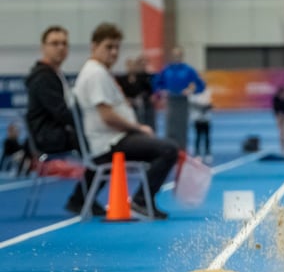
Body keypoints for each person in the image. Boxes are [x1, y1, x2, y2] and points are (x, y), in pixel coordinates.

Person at [73, 22, 179, 220]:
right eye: (108, 47)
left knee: (162, 146)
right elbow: (107, 116)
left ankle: (80, 198)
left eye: (116, 47)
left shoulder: (99, 71)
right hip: (110, 142)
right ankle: (140, 200)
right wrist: (138, 128)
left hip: (112, 138)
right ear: (94, 46)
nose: (113, 52)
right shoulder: (95, 73)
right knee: (168, 149)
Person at [24, 25, 89, 212]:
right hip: (48, 137)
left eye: (64, 44)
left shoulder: (54, 74)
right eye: (55, 43)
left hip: (54, 132)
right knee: (97, 143)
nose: (60, 47)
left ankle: (84, 196)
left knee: (94, 139)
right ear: (43, 47)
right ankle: (82, 198)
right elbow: (61, 113)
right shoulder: (43, 78)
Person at [154, 45, 206, 150]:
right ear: (172, 56)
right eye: (175, 55)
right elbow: (156, 84)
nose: (177, 57)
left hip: (183, 102)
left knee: (182, 129)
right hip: (170, 102)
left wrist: (191, 90)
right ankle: (169, 151)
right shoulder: (166, 70)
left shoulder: (188, 70)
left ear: (182, 56)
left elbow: (201, 85)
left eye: (179, 54)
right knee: (169, 129)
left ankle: (182, 152)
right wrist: (161, 92)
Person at [116, 55, 157, 131]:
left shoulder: (141, 78)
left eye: (132, 65)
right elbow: (119, 91)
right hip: (128, 105)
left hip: (140, 105)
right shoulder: (122, 79)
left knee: (142, 119)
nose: (131, 68)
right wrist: (126, 99)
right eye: (129, 65)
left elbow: (147, 90)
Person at [190, 88, 213, 163]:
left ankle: (207, 153)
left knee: (207, 137)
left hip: (206, 118)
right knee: (198, 136)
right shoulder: (193, 93)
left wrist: (207, 106)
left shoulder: (206, 91)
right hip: (197, 118)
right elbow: (193, 104)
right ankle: (197, 154)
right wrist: (202, 106)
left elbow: (209, 103)